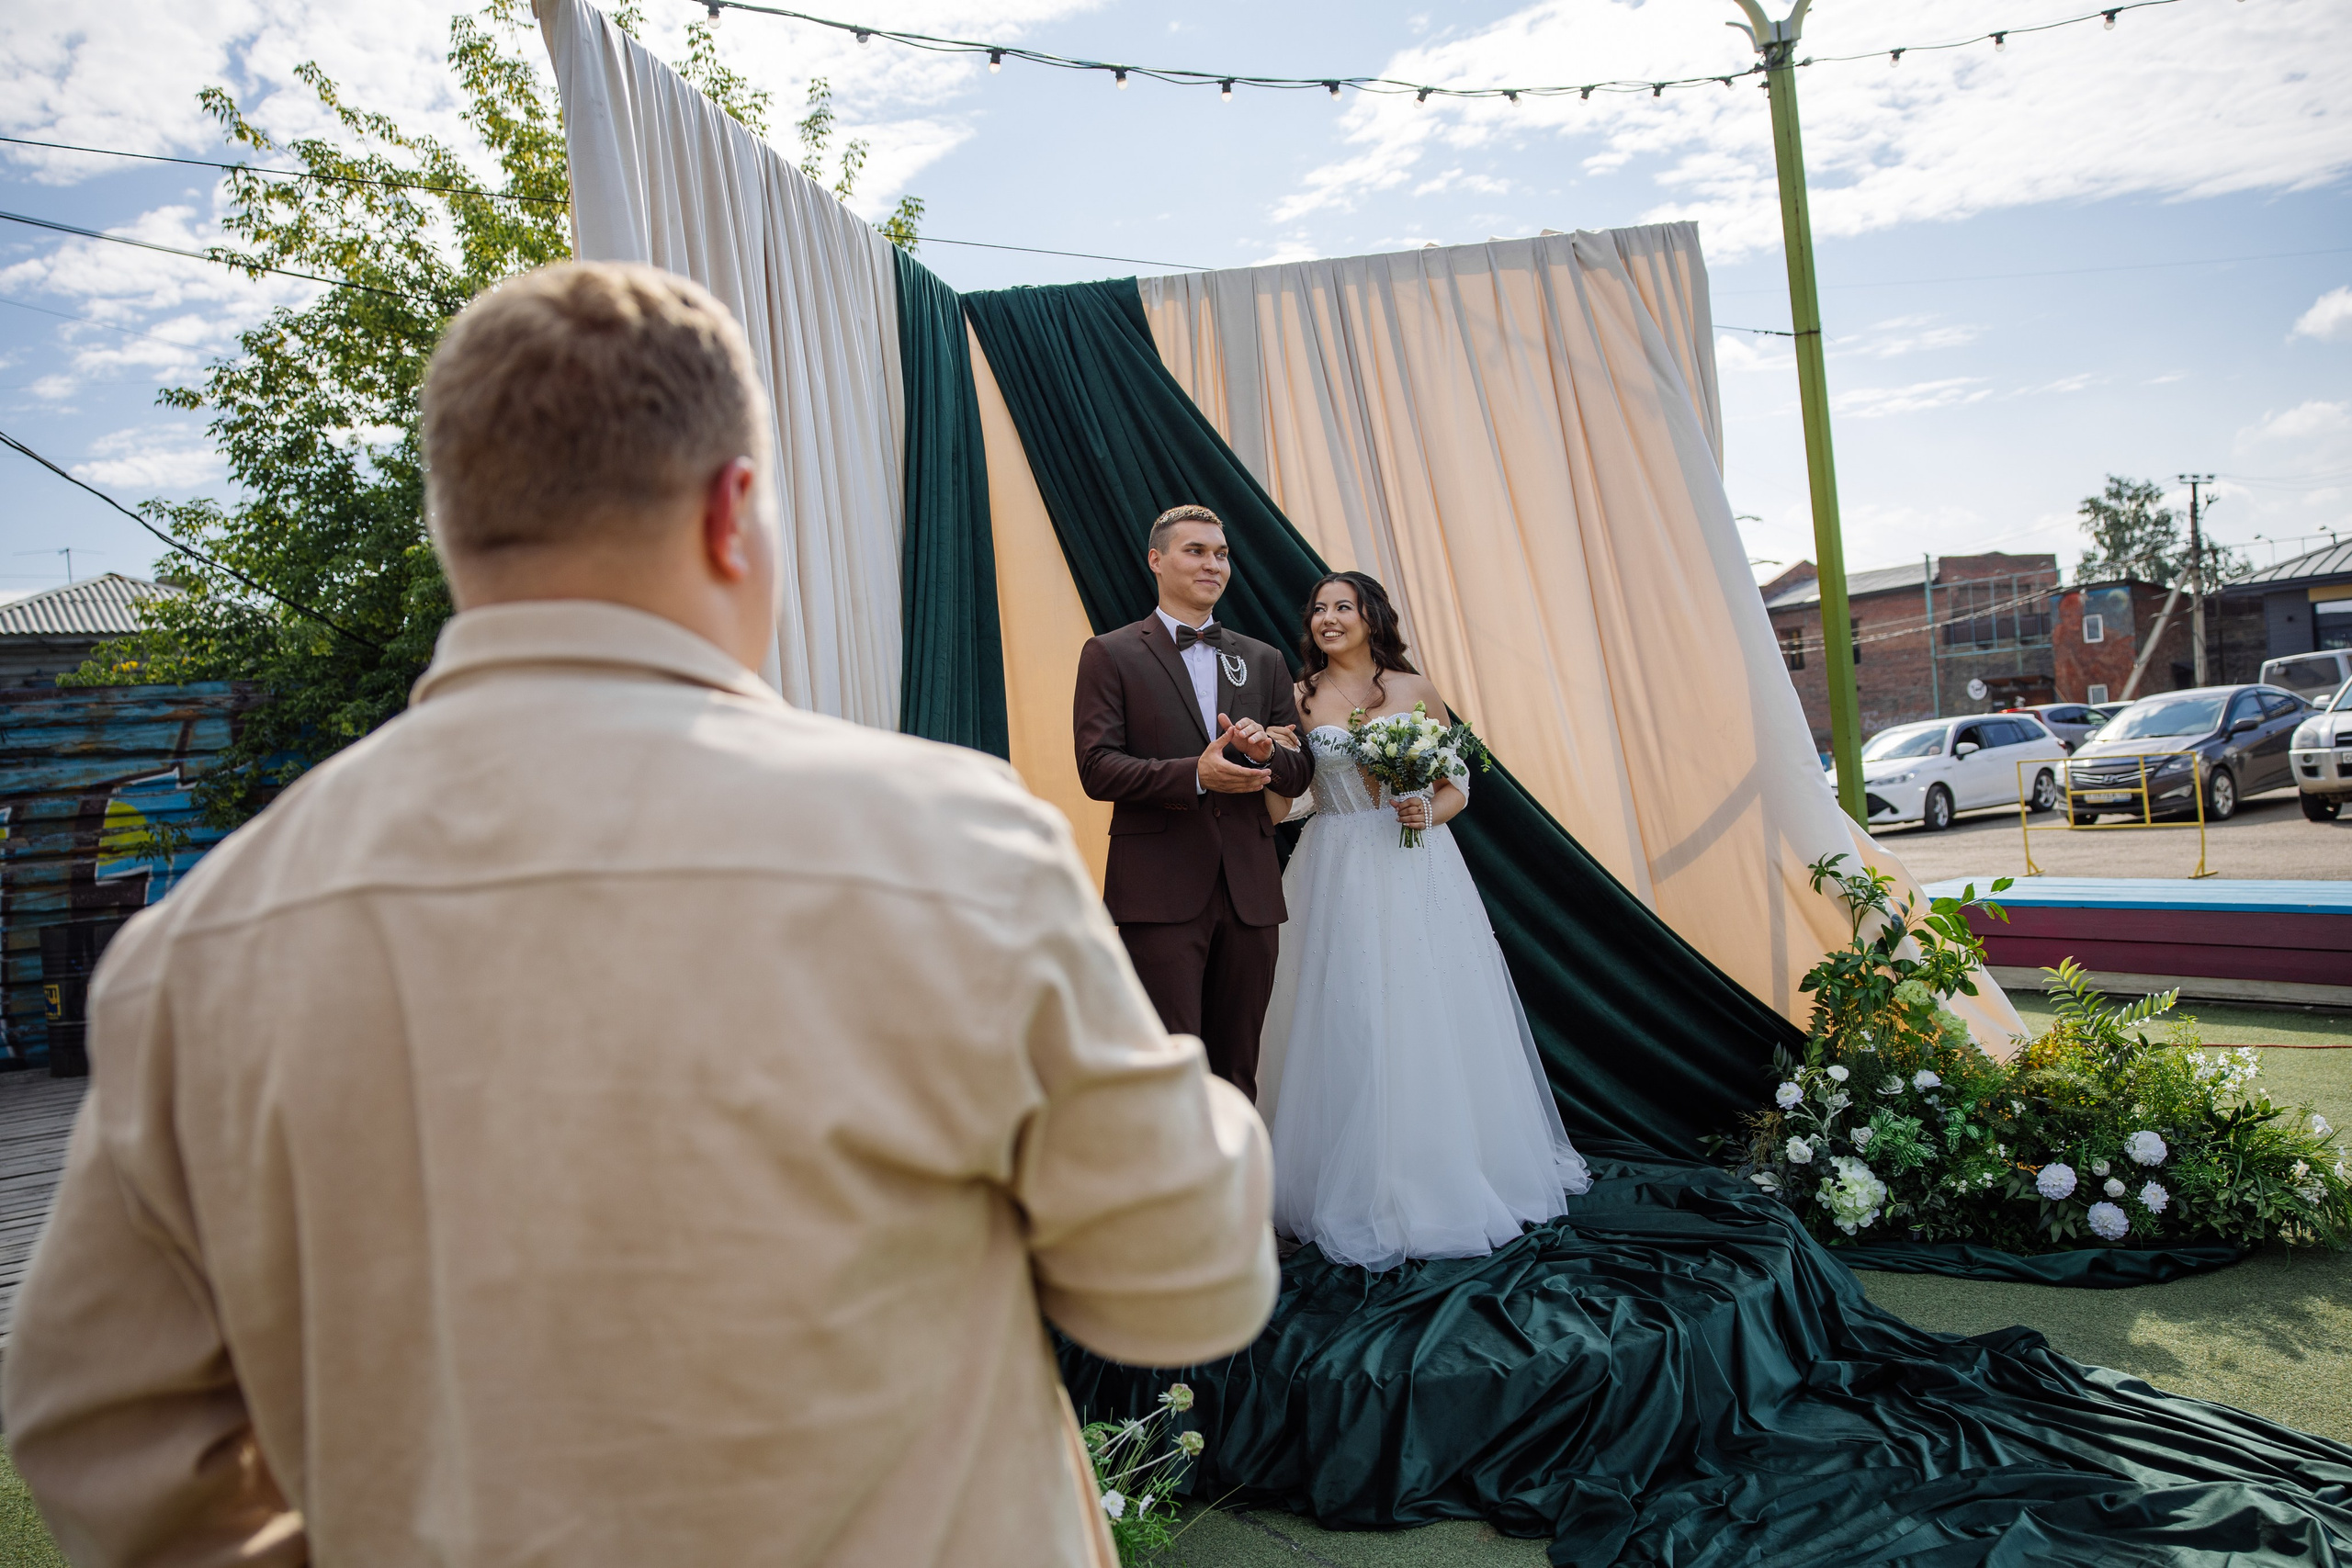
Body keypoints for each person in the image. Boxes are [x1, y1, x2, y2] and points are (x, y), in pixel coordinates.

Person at [0, 262, 1276, 1567]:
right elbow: (1184, 1277)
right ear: (735, 512)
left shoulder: (195, 947)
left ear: (461, 523)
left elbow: (101, 1426)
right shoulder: (955, 845)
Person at [1258, 571, 1589, 1272]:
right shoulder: (1298, 697)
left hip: (1417, 866)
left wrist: (1423, 810)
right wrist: (1262, 792)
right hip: (1336, 864)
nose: (1327, 617)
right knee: (1346, 1015)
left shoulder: (1415, 690)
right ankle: (1346, 1182)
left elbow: (1457, 783)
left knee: (1426, 1009)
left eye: (1342, 606)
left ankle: (1440, 1173)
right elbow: (1303, 799)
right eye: (1317, 607)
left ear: (1373, 616)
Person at [1071, 505, 1315, 1102]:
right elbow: (1097, 769)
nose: (1213, 563)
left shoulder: (1263, 659)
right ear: (1156, 560)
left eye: (1221, 553)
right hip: (1158, 892)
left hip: (1251, 892)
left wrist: (1263, 753)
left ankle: (1234, 1197)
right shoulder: (1110, 653)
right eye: (1196, 550)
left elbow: (1300, 766)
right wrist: (1196, 775)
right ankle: (1171, 1194)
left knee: (1237, 1069)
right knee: (1168, 1070)